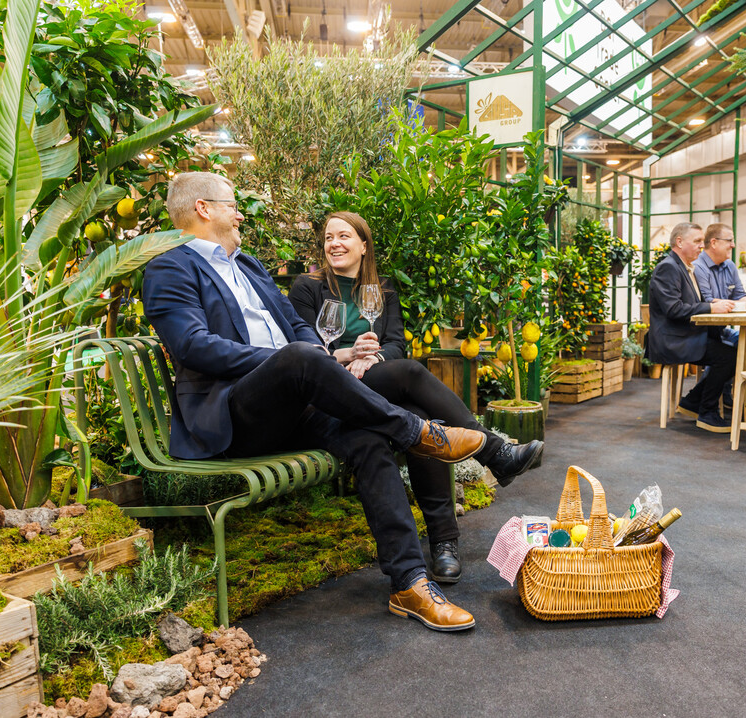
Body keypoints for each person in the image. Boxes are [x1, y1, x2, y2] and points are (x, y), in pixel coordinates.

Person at [143, 172, 488, 632]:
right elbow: (193, 346)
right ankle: (420, 433)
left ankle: (409, 583)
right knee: (301, 359)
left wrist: (306, 358)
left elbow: (297, 326)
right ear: (203, 208)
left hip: (296, 402)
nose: (240, 211)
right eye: (232, 203)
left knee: (367, 438)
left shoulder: (247, 266)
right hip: (234, 414)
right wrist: (284, 362)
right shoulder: (170, 269)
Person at [289, 211, 544, 584]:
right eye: (328, 238)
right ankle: (492, 451)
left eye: (344, 236)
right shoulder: (307, 287)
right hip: (329, 388)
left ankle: (444, 541)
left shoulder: (383, 289)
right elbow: (302, 347)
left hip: (372, 379)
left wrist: (372, 358)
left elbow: (395, 344)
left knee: (423, 417)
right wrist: (346, 357)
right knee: (411, 374)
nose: (334, 244)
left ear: (363, 245)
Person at [646, 222, 738, 433]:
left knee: (732, 350)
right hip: (672, 341)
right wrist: (710, 308)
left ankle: (694, 401)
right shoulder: (668, 267)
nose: (701, 246)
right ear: (679, 242)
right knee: (728, 356)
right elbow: (674, 309)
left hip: (684, 335)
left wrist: (712, 306)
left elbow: (685, 306)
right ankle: (706, 412)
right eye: (697, 241)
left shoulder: (685, 268)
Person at [693, 222, 746, 347]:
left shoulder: (730, 265)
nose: (733, 245)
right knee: (729, 353)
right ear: (714, 243)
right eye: (729, 240)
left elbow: (741, 296)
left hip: (722, 330)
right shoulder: (698, 267)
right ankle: (720, 367)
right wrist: (741, 303)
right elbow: (710, 303)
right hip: (703, 333)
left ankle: (733, 367)